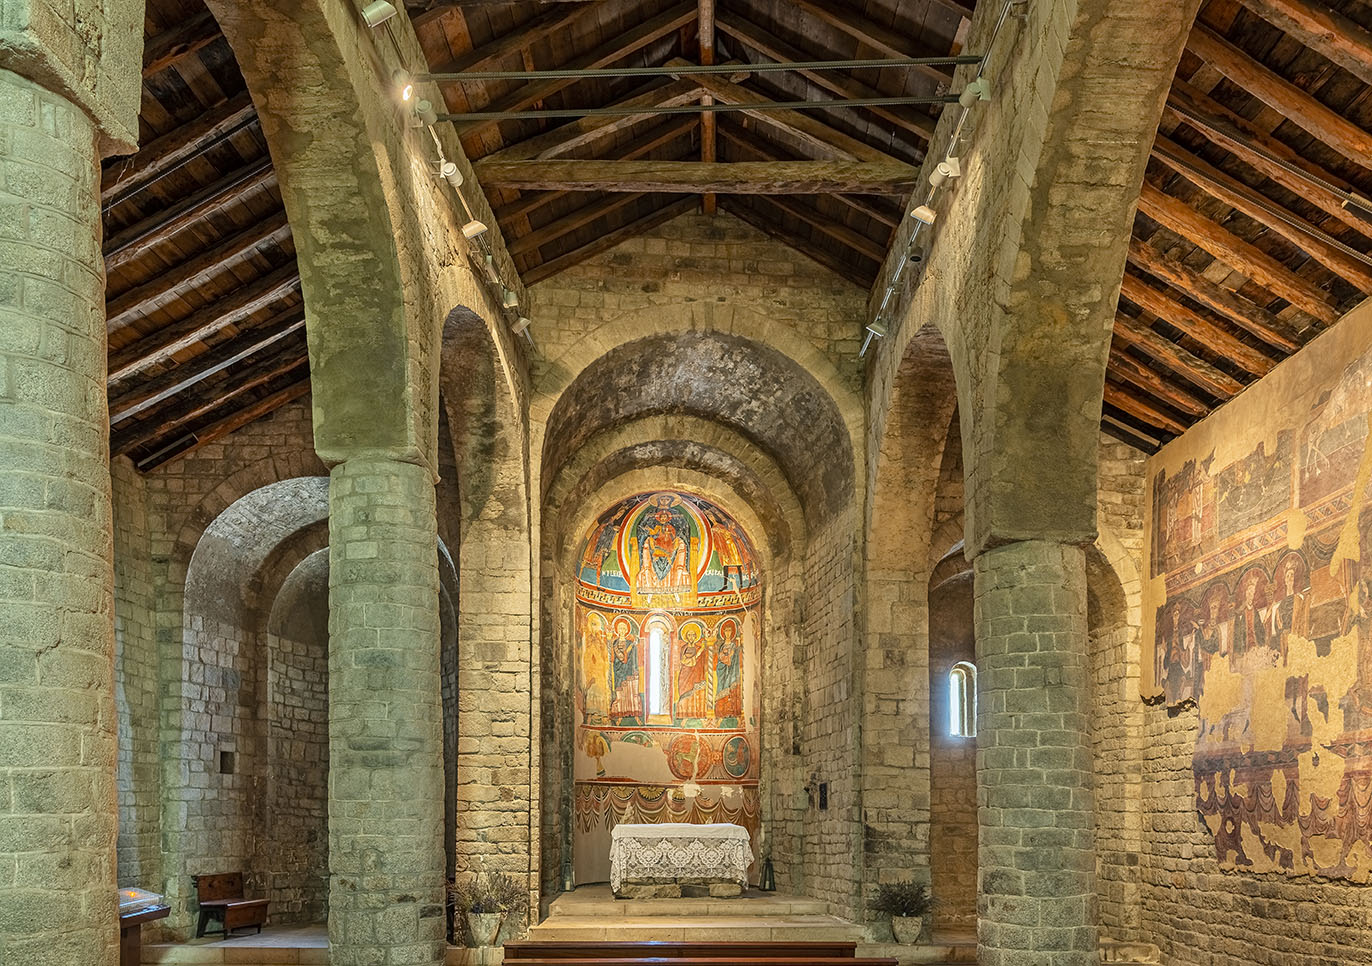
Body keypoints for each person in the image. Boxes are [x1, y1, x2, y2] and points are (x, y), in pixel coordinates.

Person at [673, 623, 710, 722]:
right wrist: (699, 652)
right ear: (686, 637)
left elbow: (703, 662)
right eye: (689, 635)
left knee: (697, 692)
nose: (691, 637)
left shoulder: (699, 648)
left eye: (693, 635)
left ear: (696, 637)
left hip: (697, 674)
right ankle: (684, 715)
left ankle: (698, 714)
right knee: (684, 693)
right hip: (685, 674)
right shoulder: (684, 648)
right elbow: (684, 661)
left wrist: (702, 650)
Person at [608, 617, 642, 724]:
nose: (622, 630)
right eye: (620, 628)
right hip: (619, 671)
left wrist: (634, 645)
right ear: (617, 631)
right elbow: (622, 658)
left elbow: (633, 657)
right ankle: (620, 716)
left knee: (631, 693)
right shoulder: (615, 644)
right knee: (620, 694)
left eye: (624, 628)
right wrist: (631, 647)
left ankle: (635, 715)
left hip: (629, 672)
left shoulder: (629, 642)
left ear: (626, 630)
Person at [713, 619, 744, 723]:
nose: (728, 633)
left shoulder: (734, 645)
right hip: (722, 672)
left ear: (732, 632)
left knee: (733, 691)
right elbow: (720, 659)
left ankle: (735, 715)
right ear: (723, 632)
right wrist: (726, 657)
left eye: (730, 630)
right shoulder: (722, 646)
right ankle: (720, 715)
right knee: (721, 691)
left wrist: (732, 654)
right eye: (726, 630)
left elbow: (734, 659)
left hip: (731, 673)